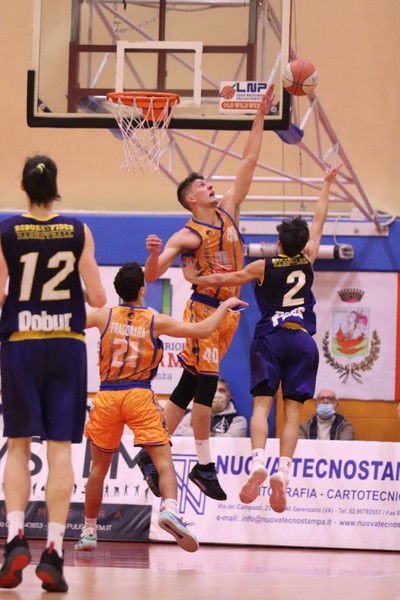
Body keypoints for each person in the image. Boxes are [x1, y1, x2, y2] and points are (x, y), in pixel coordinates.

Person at [136, 84, 276, 501]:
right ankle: (203, 465)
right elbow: (152, 275)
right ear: (190, 199)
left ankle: (149, 452)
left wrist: (259, 116)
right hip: (204, 312)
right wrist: (154, 254)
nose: (210, 185)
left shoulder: (229, 209)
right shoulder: (188, 234)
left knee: (190, 381)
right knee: (206, 385)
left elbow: (249, 159)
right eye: (201, 184)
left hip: (228, 313)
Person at [181, 164, 342, 513]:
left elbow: (226, 279)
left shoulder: (262, 267)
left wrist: (195, 278)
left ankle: (258, 462)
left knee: (261, 406)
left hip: (270, 338)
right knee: (292, 413)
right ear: (302, 245)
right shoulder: (309, 259)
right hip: (302, 341)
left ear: (279, 244)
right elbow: (319, 220)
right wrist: (326, 185)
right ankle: (283, 471)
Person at [74, 262, 247, 553]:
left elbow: (69, 320)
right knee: (163, 462)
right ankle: (169, 509)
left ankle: (89, 531)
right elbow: (202, 329)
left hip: (107, 397)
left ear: (118, 291)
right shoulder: (154, 320)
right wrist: (225, 305)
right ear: (142, 289)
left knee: (98, 471)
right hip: (139, 395)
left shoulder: (103, 316)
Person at [0, 155, 106, 592]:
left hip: (21, 343)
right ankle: (55, 552)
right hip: (66, 345)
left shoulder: (7, 230)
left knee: (18, 444)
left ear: (23, 188)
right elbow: (97, 297)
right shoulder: (78, 230)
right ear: (55, 187)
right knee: (60, 449)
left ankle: (15, 539)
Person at [174, 377, 247, 437]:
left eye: (222, 391)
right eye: (213, 390)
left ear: (229, 396)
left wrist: (195, 432)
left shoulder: (238, 420)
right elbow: (177, 431)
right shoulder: (193, 415)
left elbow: (229, 441)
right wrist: (216, 435)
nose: (217, 394)